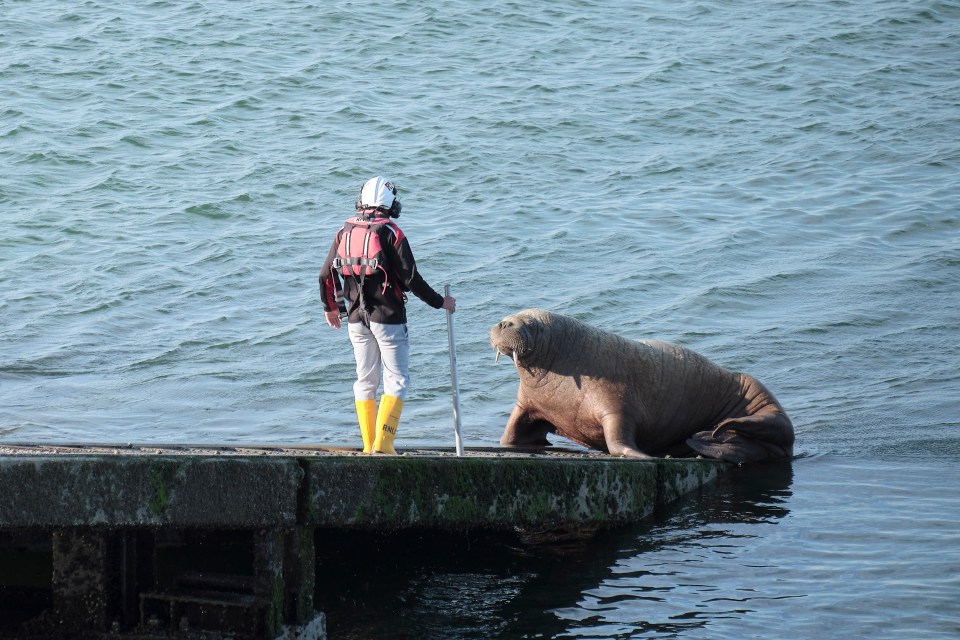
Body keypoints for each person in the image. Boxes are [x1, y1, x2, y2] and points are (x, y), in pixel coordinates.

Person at [319, 176, 456, 454]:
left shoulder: (344, 231)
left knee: (365, 380)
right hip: (388, 318)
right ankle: (384, 445)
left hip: (356, 319)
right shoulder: (391, 232)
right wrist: (441, 302)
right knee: (397, 379)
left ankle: (369, 446)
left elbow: (325, 275)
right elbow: (411, 279)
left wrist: (331, 308)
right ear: (389, 203)